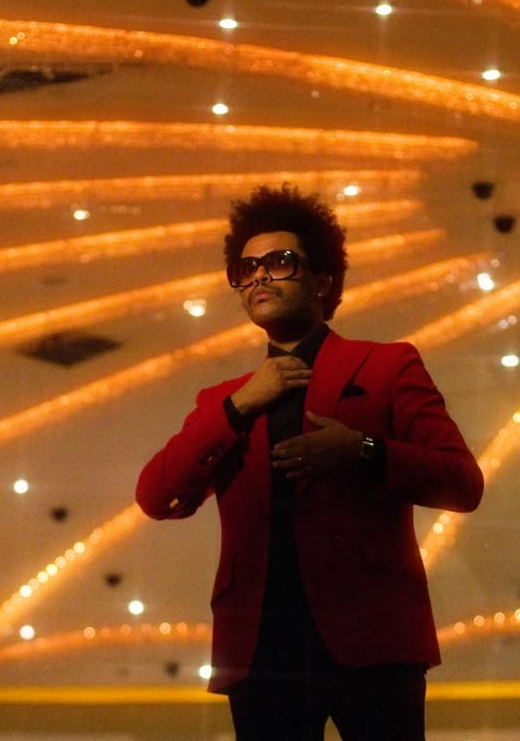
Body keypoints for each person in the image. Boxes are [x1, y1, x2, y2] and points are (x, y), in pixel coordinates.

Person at [136, 184, 483, 740]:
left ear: (323, 282)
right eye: (245, 268)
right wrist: (240, 404)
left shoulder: (387, 365)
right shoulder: (224, 400)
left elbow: (463, 484)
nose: (259, 277)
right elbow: (157, 496)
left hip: (373, 637)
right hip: (259, 644)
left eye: (280, 262)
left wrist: (362, 450)